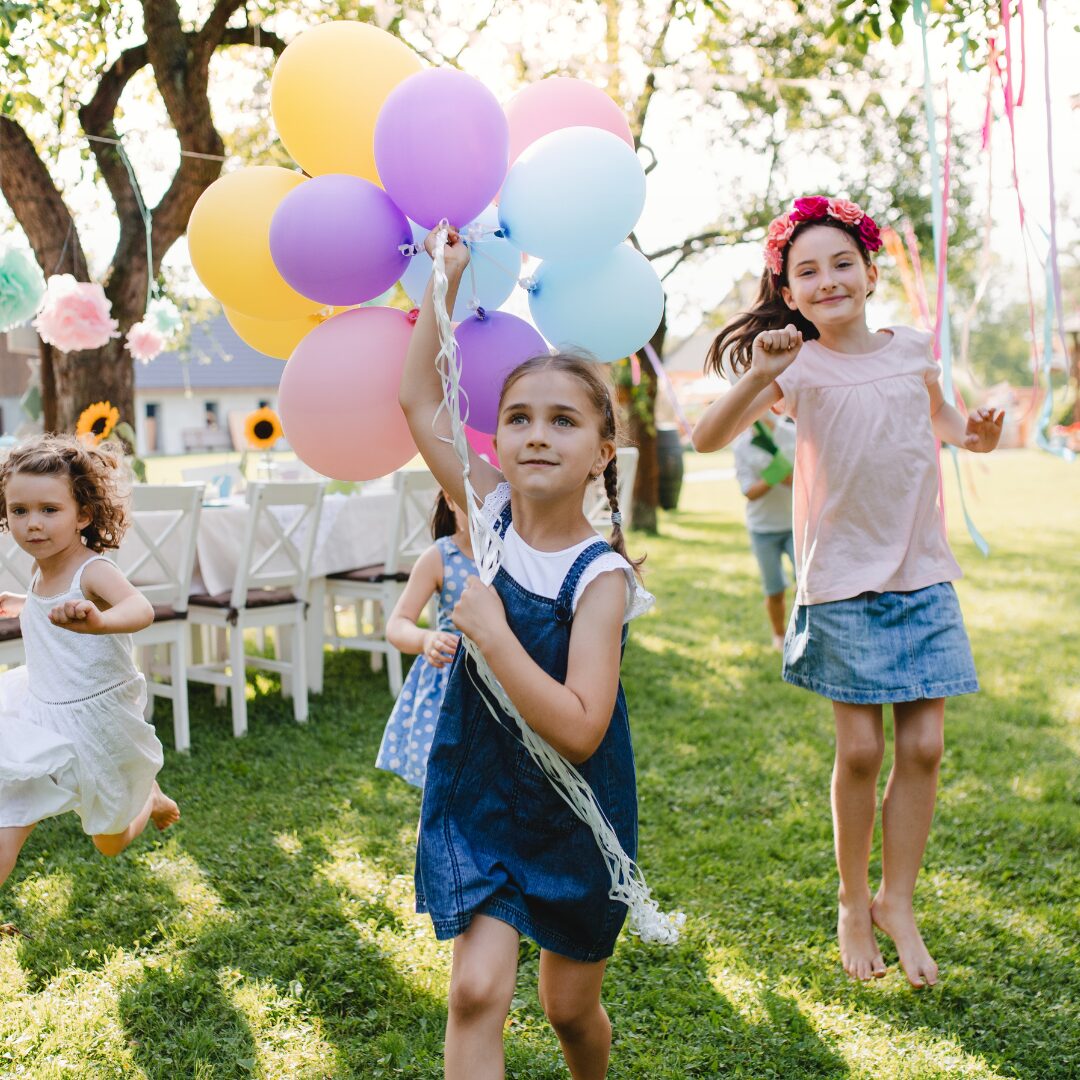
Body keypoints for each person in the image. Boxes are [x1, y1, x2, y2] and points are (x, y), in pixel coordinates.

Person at [692, 196, 1003, 989]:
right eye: (807, 272)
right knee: (860, 751)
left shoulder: (915, 352)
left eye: (841, 264)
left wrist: (980, 434)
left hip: (922, 573)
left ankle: (898, 902)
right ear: (788, 293)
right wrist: (761, 372)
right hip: (840, 582)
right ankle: (851, 897)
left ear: (869, 271)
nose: (828, 279)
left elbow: (948, 424)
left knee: (926, 748)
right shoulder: (796, 365)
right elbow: (707, 437)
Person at [398, 226, 653, 1080]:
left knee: (568, 1010)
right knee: (475, 991)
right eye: (518, 419)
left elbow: (581, 729)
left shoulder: (601, 576)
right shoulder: (487, 513)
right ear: (496, 441)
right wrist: (444, 283)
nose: (537, 435)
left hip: (575, 807)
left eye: (563, 421)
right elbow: (420, 402)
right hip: (480, 791)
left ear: (600, 453)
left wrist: (497, 635)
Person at [0, 435, 179, 932]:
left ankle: (148, 798)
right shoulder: (39, 570)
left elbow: (139, 609)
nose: (33, 523)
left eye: (49, 509)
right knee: (7, 810)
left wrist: (99, 622)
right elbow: (46, 603)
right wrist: (22, 601)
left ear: (83, 515)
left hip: (97, 722)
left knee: (109, 840)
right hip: (39, 712)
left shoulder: (93, 570)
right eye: (19, 510)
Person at [376, 490, 478, 788]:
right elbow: (397, 624)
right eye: (469, 499)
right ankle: (432, 831)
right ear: (449, 498)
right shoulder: (440, 557)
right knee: (444, 782)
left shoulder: (516, 556)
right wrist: (425, 639)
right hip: (452, 685)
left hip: (505, 681)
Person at [732, 412, 797, 649]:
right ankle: (779, 637)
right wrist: (774, 475)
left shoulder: (793, 434)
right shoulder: (742, 446)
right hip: (763, 529)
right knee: (774, 589)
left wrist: (789, 475)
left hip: (795, 524)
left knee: (806, 582)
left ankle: (804, 632)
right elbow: (749, 491)